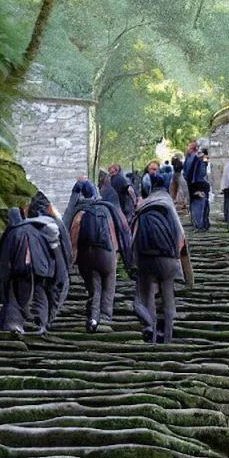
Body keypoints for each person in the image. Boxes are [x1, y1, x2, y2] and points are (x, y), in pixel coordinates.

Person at [132, 174, 193, 344]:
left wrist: (133, 262)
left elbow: (133, 235)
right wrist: (185, 271)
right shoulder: (167, 205)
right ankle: (167, 338)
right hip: (167, 258)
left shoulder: (144, 206)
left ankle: (150, 332)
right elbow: (180, 236)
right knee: (168, 298)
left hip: (145, 258)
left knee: (147, 296)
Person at [66, 179, 133, 333]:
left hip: (87, 256)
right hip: (106, 253)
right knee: (109, 285)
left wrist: (73, 260)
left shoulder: (80, 213)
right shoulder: (107, 209)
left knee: (95, 287)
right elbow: (121, 231)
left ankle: (93, 318)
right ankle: (106, 317)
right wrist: (122, 255)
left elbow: (73, 238)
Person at [0, 207, 58, 334]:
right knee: (40, 295)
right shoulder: (35, 230)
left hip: (19, 270)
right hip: (39, 269)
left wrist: (2, 276)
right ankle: (42, 324)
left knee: (13, 297)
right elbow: (46, 251)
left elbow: (4, 257)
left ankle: (14, 324)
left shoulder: (12, 233)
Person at [27, 191, 73, 325]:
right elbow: (67, 245)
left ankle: (41, 321)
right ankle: (48, 320)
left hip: (35, 266)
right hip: (55, 264)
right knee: (55, 293)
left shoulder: (28, 224)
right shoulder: (57, 223)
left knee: (39, 293)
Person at [185, 144, 211, 231]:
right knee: (202, 204)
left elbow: (200, 173)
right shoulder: (199, 159)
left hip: (198, 184)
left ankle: (201, 224)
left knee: (200, 205)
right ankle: (203, 223)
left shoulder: (200, 159)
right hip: (200, 184)